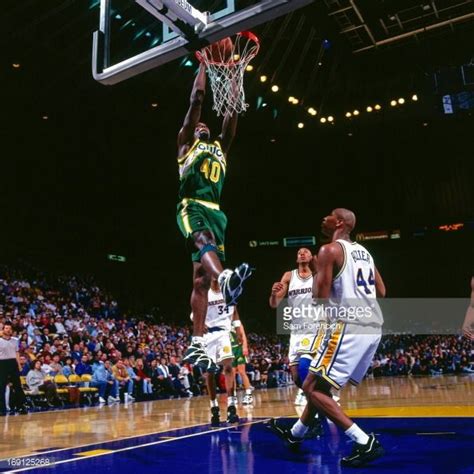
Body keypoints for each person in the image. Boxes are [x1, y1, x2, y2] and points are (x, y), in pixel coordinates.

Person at [269, 208, 386, 468]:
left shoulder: (328, 250)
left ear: (340, 222)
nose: (324, 217)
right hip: (372, 325)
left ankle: (364, 441)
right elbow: (382, 290)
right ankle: (296, 433)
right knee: (318, 385)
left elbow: (320, 299)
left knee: (310, 387)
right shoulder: (366, 253)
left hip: (348, 326)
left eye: (330, 214)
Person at [177, 63, 253, 372]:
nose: (202, 126)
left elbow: (231, 118)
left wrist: (235, 78)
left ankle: (196, 344)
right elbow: (196, 100)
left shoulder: (221, 147)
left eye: (205, 126)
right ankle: (226, 278)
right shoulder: (185, 146)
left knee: (200, 280)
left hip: (217, 212)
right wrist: (204, 64)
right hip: (191, 205)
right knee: (202, 242)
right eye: (198, 127)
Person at [269, 248, 318, 406]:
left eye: (306, 252)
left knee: (305, 364)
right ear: (297, 258)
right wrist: (273, 293)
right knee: (296, 376)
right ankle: (311, 394)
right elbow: (274, 304)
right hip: (296, 329)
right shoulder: (289, 276)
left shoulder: (317, 276)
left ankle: (319, 399)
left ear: (311, 257)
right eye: (299, 252)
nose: (302, 253)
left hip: (314, 326)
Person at [193, 278, 241, 426]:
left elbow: (235, 313)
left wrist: (238, 328)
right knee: (210, 373)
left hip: (224, 334)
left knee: (228, 366)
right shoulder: (203, 293)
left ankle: (232, 406)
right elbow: (194, 313)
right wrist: (200, 323)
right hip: (209, 337)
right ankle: (214, 407)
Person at [0, 322, 28, 415]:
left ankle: (21, 406)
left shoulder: (15, 340)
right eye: (6, 328)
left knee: (17, 386)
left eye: (9, 328)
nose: (8, 330)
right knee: (1, 387)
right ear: (3, 329)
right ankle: (2, 408)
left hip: (13, 363)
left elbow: (17, 353)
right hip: (2, 363)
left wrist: (19, 365)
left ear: (12, 330)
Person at [230, 319, 253, 405]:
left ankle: (248, 394)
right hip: (230, 349)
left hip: (238, 348)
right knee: (231, 374)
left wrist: (245, 347)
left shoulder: (237, 322)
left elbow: (243, 334)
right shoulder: (223, 322)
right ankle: (233, 396)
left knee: (241, 371)